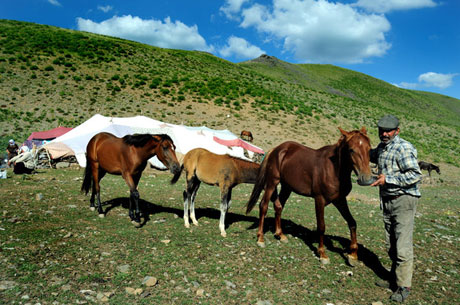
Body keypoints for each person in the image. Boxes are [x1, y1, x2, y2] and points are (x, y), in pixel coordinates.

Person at [370, 114, 422, 303]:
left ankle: (404, 286)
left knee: (402, 246)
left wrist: (388, 179)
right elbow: (370, 155)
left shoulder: (403, 147)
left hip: (404, 200)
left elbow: (415, 175)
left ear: (397, 131)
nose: (384, 133)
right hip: (388, 200)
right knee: (391, 242)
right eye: (381, 130)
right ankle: (394, 278)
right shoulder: (382, 147)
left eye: (388, 130)